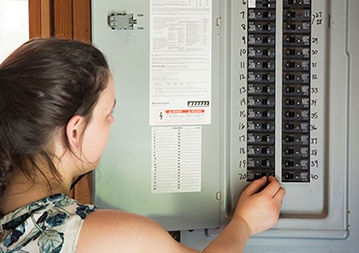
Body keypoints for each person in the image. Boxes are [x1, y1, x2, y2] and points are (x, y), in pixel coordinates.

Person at [0, 37, 285, 252]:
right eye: (107, 112)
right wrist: (245, 223)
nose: (112, 122)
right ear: (75, 132)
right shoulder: (96, 233)